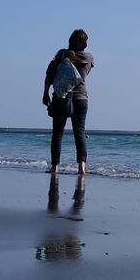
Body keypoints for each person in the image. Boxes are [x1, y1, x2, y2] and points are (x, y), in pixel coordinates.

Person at [41, 29, 94, 175]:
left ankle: (55, 167)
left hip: (61, 96)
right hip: (81, 98)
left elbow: (49, 74)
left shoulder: (61, 54)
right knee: (79, 132)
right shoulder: (89, 57)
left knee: (57, 133)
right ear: (84, 44)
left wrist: (45, 93)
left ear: (70, 41)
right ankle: (82, 167)